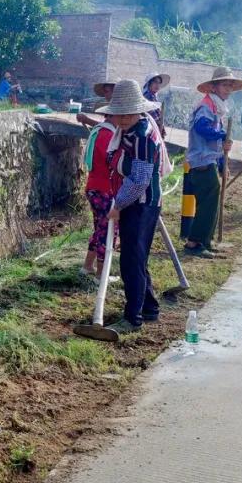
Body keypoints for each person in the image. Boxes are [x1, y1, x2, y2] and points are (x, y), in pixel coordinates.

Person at [95, 80, 169, 333]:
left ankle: (133, 318)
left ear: (139, 110)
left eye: (128, 112)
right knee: (137, 259)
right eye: (119, 113)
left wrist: (118, 204)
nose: (124, 118)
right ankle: (149, 308)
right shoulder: (126, 131)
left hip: (141, 203)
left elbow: (140, 178)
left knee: (131, 260)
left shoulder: (142, 136)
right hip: (134, 202)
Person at [184, 67, 242, 257]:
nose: (228, 89)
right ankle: (195, 242)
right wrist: (223, 135)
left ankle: (205, 240)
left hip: (209, 160)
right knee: (208, 202)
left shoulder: (216, 107)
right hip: (201, 161)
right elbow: (202, 129)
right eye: (225, 85)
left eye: (230, 86)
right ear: (214, 87)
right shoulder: (206, 106)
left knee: (210, 202)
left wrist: (222, 161)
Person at [79, 112, 119, 286]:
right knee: (108, 231)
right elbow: (114, 163)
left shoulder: (100, 130)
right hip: (104, 189)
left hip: (95, 187)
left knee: (100, 228)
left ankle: (88, 266)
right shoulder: (108, 135)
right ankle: (101, 275)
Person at [142, 72, 171, 140]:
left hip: (154, 130)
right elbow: (153, 118)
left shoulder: (154, 97)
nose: (157, 85)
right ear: (149, 84)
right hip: (148, 131)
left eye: (159, 83)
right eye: (155, 82)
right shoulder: (147, 97)